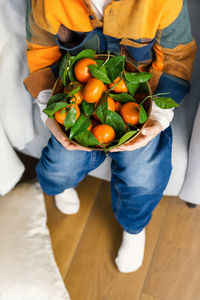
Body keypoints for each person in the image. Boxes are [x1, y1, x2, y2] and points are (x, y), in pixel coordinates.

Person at [24, 0, 196, 273]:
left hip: (139, 101)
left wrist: (158, 118)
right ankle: (61, 186)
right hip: (76, 102)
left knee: (145, 173)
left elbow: (177, 57)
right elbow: (41, 50)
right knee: (59, 163)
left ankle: (133, 226)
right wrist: (49, 111)